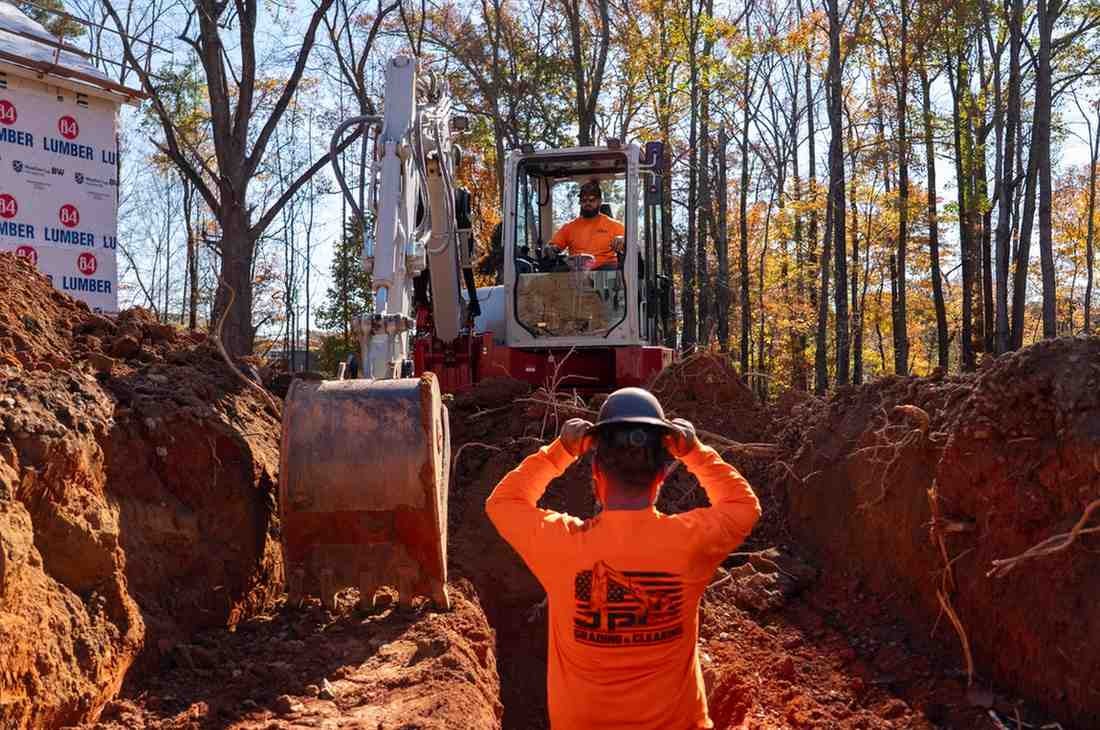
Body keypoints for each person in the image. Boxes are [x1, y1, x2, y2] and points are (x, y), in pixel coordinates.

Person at [485, 387, 761, 729]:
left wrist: (561, 451)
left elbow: (503, 503)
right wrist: (694, 453)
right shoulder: (689, 543)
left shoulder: (563, 546)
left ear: (596, 476)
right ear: (660, 479)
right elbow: (743, 506)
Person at [548, 179, 626, 270]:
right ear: (580, 202)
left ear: (599, 201)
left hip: (605, 272)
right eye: (584, 200)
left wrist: (622, 240)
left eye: (592, 200)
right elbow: (554, 246)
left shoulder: (614, 225)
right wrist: (551, 249)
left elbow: (630, 243)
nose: (587, 203)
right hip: (577, 272)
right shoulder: (569, 227)